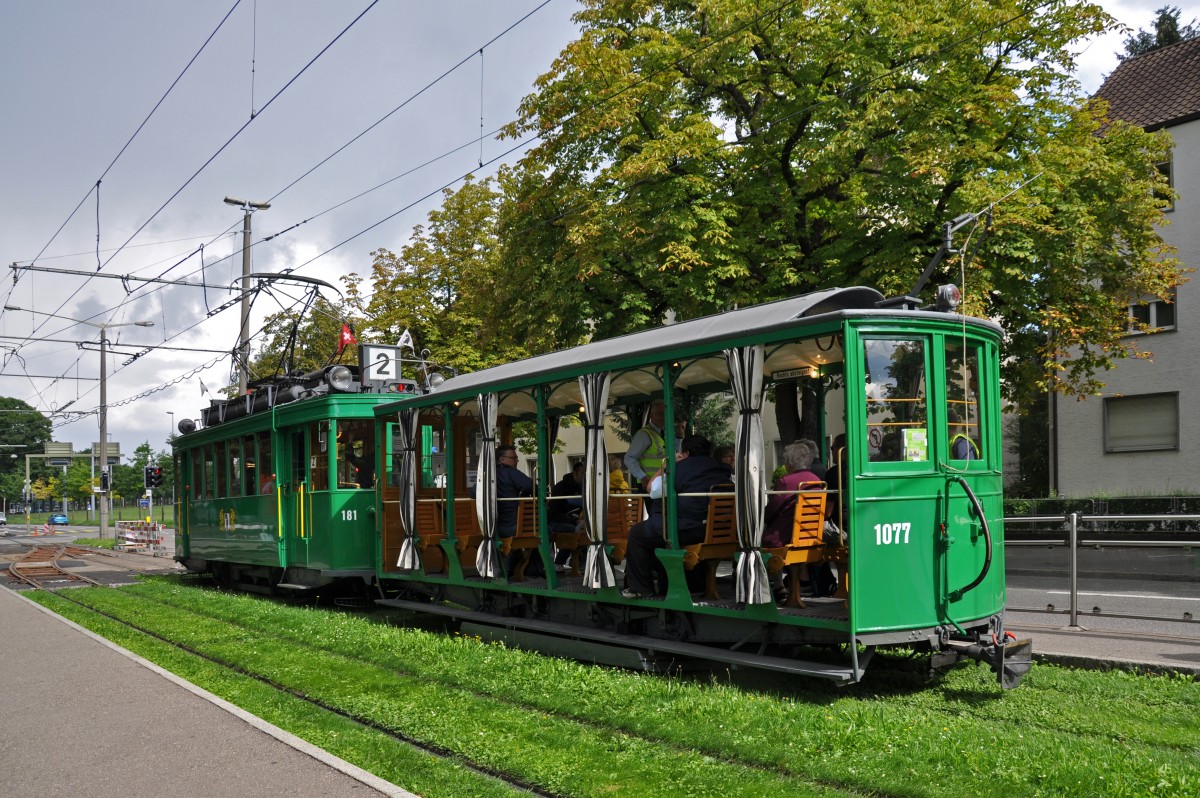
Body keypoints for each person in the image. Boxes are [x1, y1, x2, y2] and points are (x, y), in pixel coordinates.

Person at [621, 435, 732, 599]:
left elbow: (653, 490)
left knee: (638, 534)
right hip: (718, 530)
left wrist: (665, 466)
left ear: (685, 453)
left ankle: (641, 588)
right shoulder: (721, 468)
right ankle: (693, 583)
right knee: (657, 530)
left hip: (690, 530)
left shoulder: (679, 468)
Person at [762, 440, 822, 548]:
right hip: (809, 537)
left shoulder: (786, 481)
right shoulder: (817, 480)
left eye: (784, 461)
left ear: (790, 462)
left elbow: (771, 511)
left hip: (783, 538)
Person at [624, 400, 668, 493]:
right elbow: (629, 458)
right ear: (651, 416)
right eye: (660, 414)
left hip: (663, 483)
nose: (663, 417)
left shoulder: (666, 433)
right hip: (650, 483)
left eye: (665, 414)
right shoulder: (644, 435)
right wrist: (643, 477)